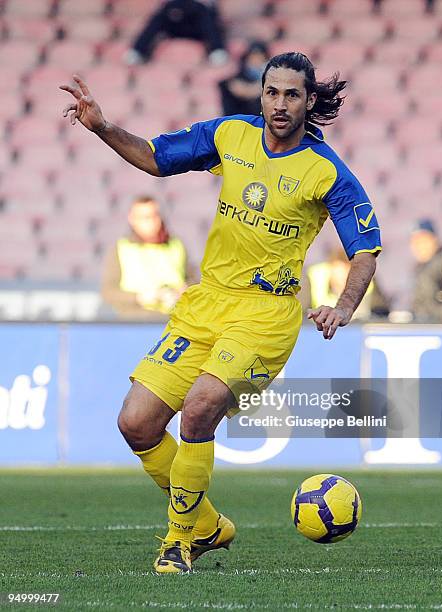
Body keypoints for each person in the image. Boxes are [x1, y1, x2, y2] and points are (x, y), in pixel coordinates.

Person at [60, 51, 381, 574]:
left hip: (267, 315)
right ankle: (208, 524)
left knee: (200, 408)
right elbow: (155, 158)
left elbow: (365, 248)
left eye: (292, 94)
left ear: (309, 101)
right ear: (261, 95)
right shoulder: (230, 134)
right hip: (206, 301)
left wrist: (343, 307)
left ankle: (178, 542)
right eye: (272, 92)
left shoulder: (327, 172)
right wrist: (101, 127)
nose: (280, 104)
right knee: (136, 423)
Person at [101, 195, 189, 320]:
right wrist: (139, 297)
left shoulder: (177, 245)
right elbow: (108, 292)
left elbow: (193, 281)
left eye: (155, 215)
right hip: (136, 323)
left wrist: (183, 291)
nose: (151, 222)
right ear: (132, 219)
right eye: (144, 217)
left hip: (174, 321)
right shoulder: (121, 248)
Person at [124, 0, 228, 66]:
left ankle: (217, 50)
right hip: (176, 24)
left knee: (200, 10)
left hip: (198, 27)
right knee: (164, 12)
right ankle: (137, 51)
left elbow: (211, 11)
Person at [306, 247, 389, 320]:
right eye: (336, 271)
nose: (340, 277)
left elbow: (381, 311)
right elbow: (303, 311)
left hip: (356, 329)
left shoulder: (368, 281)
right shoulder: (315, 277)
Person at [219, 41, 268, 116]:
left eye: (260, 58)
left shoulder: (270, 76)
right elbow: (238, 89)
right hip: (240, 118)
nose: (256, 61)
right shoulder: (238, 76)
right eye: (253, 57)